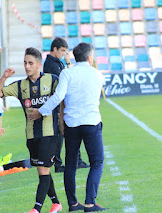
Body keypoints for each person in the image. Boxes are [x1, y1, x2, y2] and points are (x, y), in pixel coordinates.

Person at [28, 43, 108, 212]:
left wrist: (40, 112)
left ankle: (73, 203)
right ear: (89, 57)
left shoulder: (67, 73)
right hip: (91, 122)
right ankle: (89, 203)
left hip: (71, 124)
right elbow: (100, 82)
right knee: (97, 162)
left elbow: (58, 97)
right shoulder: (97, 74)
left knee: (70, 164)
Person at [0, 47, 62, 213]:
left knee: (44, 170)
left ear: (39, 64)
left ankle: (36, 209)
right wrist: (4, 77)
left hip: (49, 133)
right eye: (25, 63)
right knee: (42, 170)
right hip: (31, 135)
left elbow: (64, 97)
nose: (27, 66)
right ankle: (56, 203)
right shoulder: (20, 85)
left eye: (30, 63)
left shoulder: (52, 80)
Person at [43, 37, 89, 173]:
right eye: (62, 50)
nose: (64, 53)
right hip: (58, 106)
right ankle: (59, 164)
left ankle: (73, 161)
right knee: (61, 136)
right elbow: (64, 85)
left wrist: (68, 63)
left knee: (66, 134)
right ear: (55, 49)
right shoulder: (51, 65)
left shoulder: (58, 63)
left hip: (62, 105)